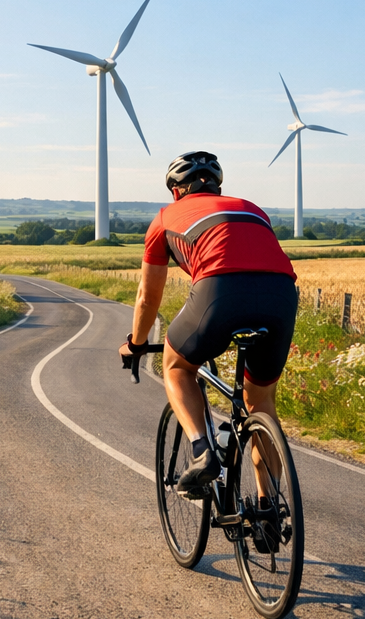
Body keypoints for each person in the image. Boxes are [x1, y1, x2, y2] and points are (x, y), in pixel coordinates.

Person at [118, 151, 297, 497]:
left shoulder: (165, 218)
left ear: (175, 191)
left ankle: (202, 453)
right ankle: (268, 508)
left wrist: (137, 343)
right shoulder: (252, 208)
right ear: (217, 187)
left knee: (176, 366)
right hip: (282, 294)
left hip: (220, 290)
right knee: (260, 403)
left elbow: (147, 298)